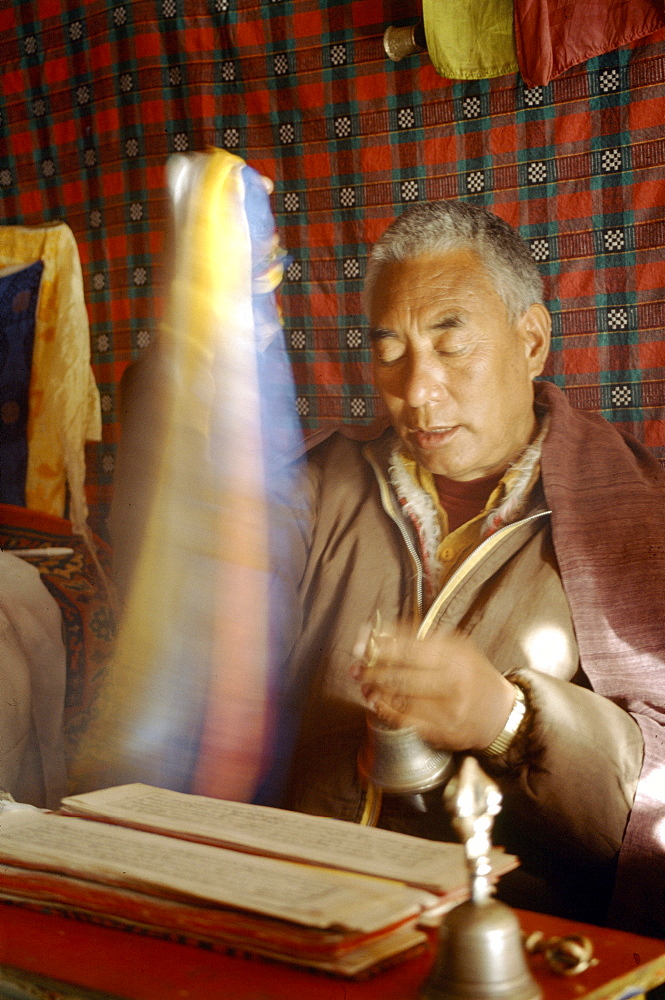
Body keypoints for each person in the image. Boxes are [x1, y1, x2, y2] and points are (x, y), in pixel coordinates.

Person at [276, 200, 665, 937]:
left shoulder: (640, 518)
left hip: (512, 946)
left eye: (450, 345)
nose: (415, 391)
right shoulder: (313, 490)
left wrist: (509, 721)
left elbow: (658, 813)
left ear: (530, 341)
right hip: (303, 919)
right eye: (390, 351)